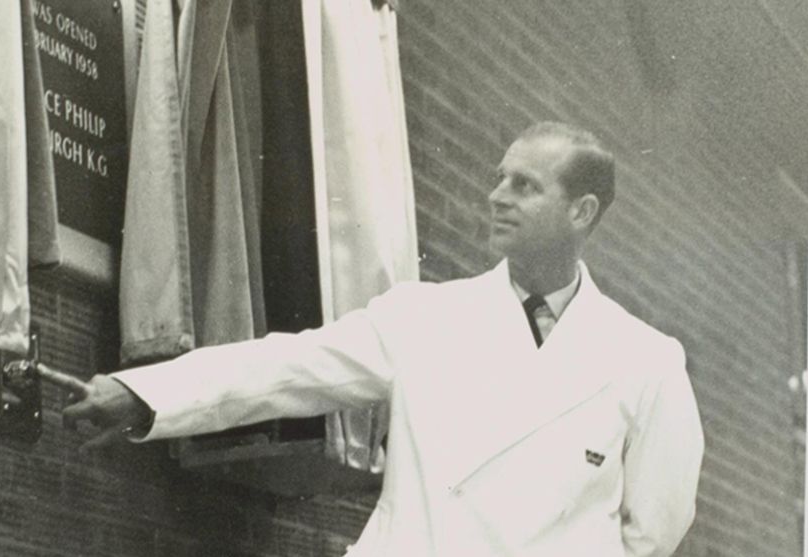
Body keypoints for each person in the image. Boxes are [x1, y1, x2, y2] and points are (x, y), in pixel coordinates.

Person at [55, 122, 704, 556]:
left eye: (525, 186)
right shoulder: (426, 318)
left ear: (581, 212)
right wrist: (145, 392)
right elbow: (285, 367)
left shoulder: (645, 361)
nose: (496, 196)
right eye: (500, 177)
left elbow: (651, 531)